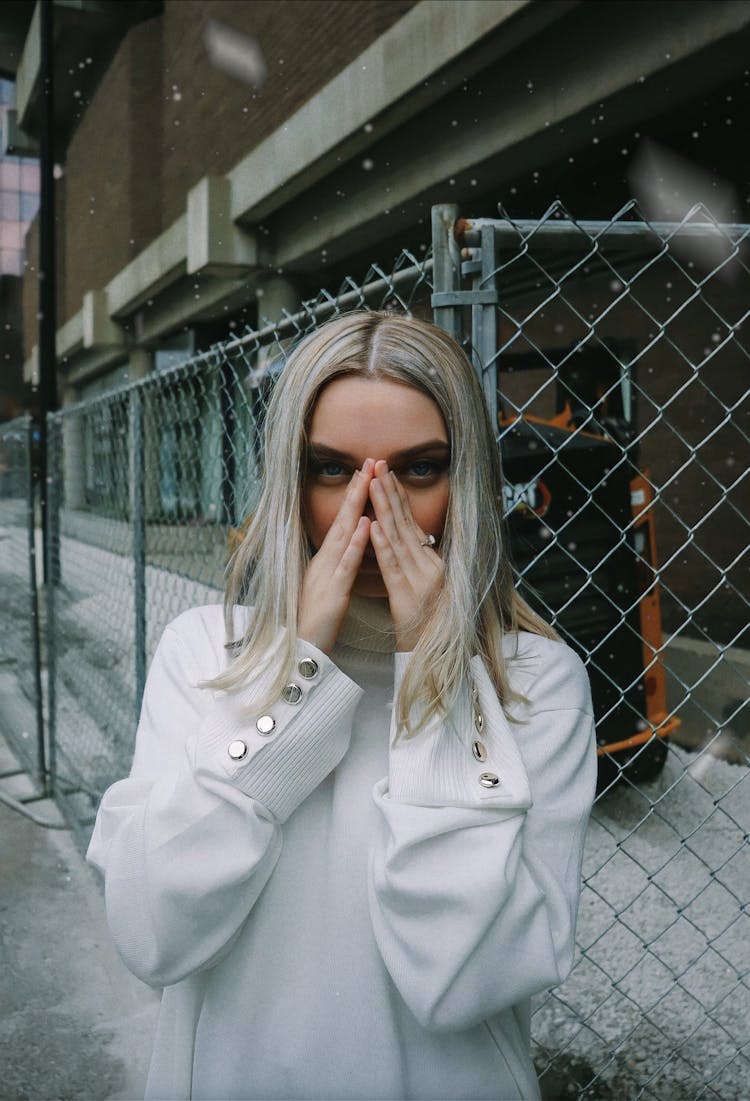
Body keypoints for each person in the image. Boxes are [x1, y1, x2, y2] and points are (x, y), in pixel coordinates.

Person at [87, 311, 597, 1101]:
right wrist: (291, 678)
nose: (368, 511)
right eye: (332, 471)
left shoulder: (536, 685)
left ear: (465, 485)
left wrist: (436, 677)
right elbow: (152, 931)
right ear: (288, 480)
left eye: (417, 471)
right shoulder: (204, 654)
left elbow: (468, 974)